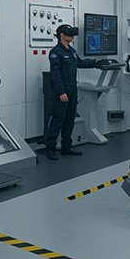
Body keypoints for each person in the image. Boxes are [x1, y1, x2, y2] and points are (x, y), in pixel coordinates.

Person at [44, 24, 98, 160]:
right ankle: (50, 148)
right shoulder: (56, 52)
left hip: (73, 89)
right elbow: (55, 75)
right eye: (70, 33)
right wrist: (61, 92)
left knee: (69, 119)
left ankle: (66, 146)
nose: (72, 36)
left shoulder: (71, 51)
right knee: (57, 119)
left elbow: (80, 63)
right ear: (62, 35)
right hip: (62, 90)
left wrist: (96, 63)